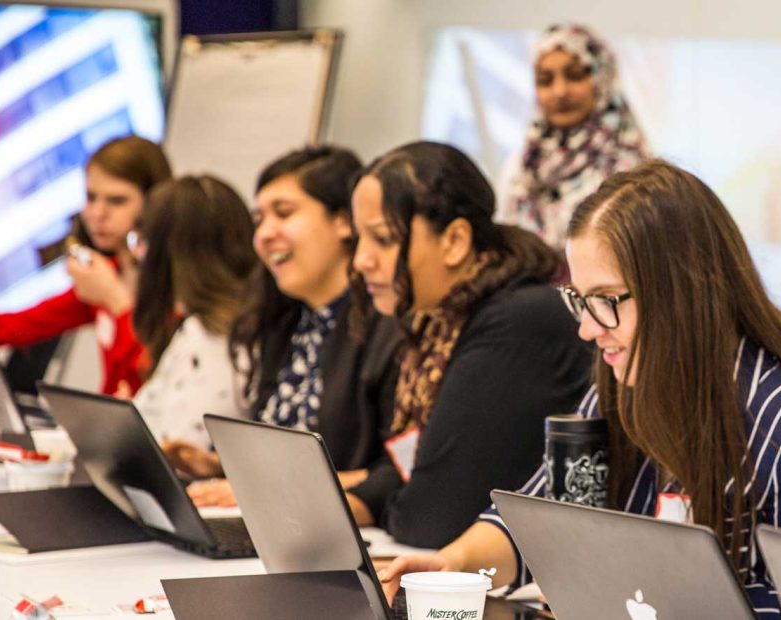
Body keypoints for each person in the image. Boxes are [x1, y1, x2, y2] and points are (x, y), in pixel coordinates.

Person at [380, 161, 781, 619]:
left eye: (605, 300)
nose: (587, 329)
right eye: (581, 300)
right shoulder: (618, 392)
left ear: (682, 291)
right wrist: (455, 563)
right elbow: (542, 517)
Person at [344, 141, 593, 548]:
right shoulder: (438, 321)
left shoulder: (516, 320)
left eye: (383, 239)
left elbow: (433, 519)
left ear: (456, 241)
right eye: (359, 239)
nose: (360, 260)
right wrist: (357, 501)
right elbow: (412, 467)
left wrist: (379, 503)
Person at [163, 146, 403, 505]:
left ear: (344, 221)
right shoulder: (285, 320)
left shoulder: (389, 325)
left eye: (284, 213)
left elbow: (397, 474)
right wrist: (217, 467)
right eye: (259, 219)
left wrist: (257, 491)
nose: (264, 234)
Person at [0, 136, 172, 397]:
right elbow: (16, 327)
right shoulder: (107, 271)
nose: (97, 213)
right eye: (91, 197)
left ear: (154, 203)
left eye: (116, 201)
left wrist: (116, 301)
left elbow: (156, 377)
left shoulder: (174, 286)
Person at [494, 23, 649, 251]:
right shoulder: (521, 169)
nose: (560, 91)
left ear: (602, 78)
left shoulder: (633, 170)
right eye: (545, 80)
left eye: (574, 76)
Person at [130, 175, 257, 449]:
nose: (136, 255)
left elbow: (181, 447)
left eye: (141, 241)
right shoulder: (196, 327)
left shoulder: (221, 340)